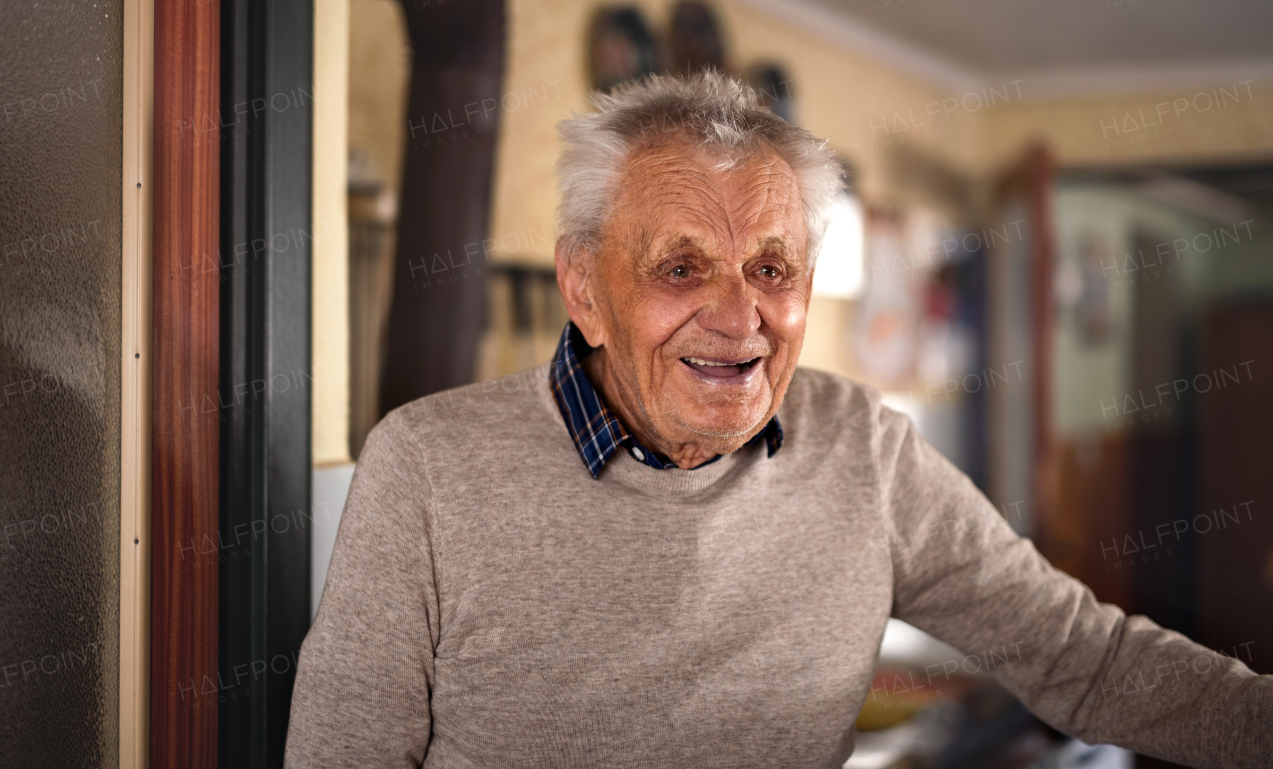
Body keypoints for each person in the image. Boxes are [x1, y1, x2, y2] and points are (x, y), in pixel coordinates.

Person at [286, 72, 1269, 768]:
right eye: (680, 268)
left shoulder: (864, 448)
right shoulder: (426, 463)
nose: (736, 315)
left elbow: (1077, 657)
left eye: (770, 267)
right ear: (583, 288)